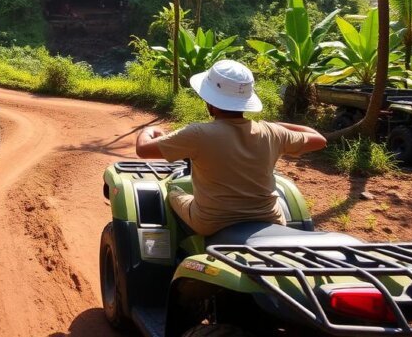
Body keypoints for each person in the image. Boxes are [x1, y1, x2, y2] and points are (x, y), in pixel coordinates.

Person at [134, 59, 326, 236]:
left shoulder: (198, 134)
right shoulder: (271, 132)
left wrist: (149, 130)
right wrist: (275, 124)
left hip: (212, 222)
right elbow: (318, 139)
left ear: (210, 103)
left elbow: (143, 149)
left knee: (173, 192)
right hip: (270, 219)